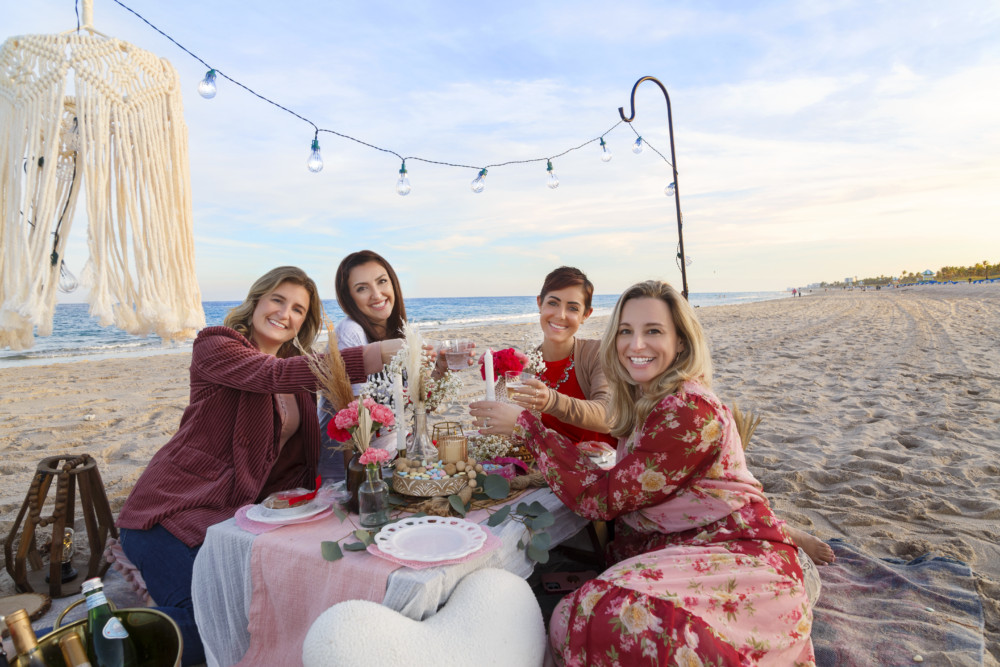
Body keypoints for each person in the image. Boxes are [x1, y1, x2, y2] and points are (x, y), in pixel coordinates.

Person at [471, 280, 815, 664]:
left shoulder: (687, 409)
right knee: (578, 613)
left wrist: (527, 428)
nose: (636, 345)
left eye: (653, 331)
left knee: (581, 617)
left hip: (727, 549)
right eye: (625, 331)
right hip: (690, 541)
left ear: (681, 341)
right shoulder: (651, 396)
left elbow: (599, 500)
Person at [116, 266, 398, 666]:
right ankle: (61, 642)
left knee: (256, 618)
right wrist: (376, 353)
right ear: (256, 303)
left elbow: (292, 472)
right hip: (169, 515)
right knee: (206, 628)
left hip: (231, 525)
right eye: (278, 301)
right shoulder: (217, 346)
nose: (286, 314)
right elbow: (270, 373)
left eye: (298, 309)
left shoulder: (295, 380)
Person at [505, 266, 615, 448]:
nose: (560, 315)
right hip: (551, 468)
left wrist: (550, 401)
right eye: (553, 303)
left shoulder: (597, 353)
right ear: (540, 304)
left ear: (585, 315)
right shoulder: (525, 366)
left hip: (601, 466)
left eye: (572, 308)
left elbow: (607, 416)